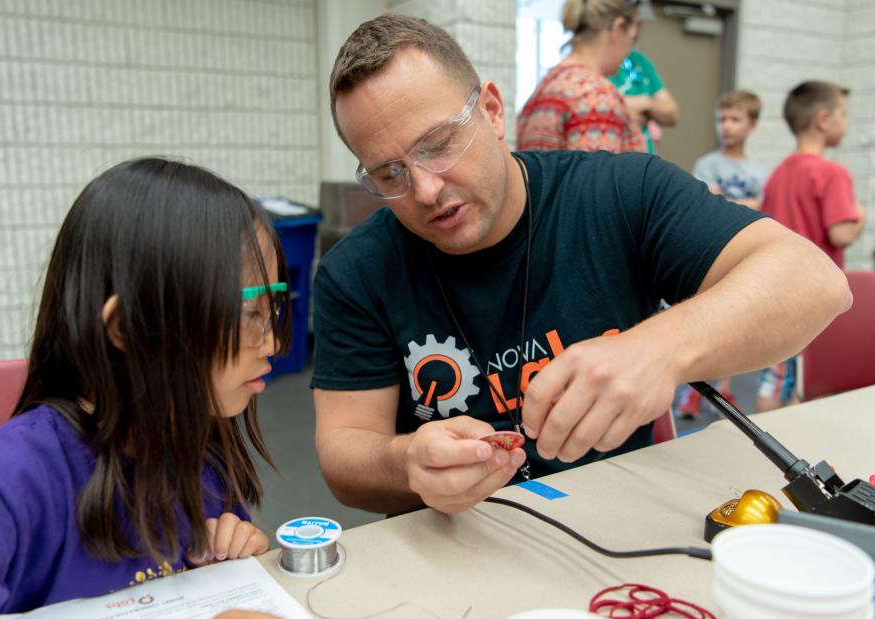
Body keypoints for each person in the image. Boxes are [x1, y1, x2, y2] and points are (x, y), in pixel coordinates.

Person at [311, 13, 851, 516]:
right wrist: (405, 462)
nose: (426, 190)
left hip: (622, 515)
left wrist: (659, 350)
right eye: (389, 175)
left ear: (493, 112)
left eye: (439, 144)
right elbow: (343, 451)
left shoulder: (619, 192)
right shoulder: (355, 272)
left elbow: (814, 280)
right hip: (459, 540)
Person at [0, 159, 294, 619]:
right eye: (247, 310)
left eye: (273, 305)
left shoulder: (198, 449)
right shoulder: (1, 486)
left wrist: (225, 557)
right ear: (128, 329)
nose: (272, 340)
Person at [755, 81, 866, 412]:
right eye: (843, 114)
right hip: (814, 294)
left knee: (775, 375)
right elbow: (842, 234)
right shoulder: (833, 173)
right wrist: (860, 216)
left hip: (779, 288)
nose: (846, 122)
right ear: (822, 119)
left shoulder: (780, 172)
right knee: (807, 378)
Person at [676, 89, 768, 418]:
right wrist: (748, 205)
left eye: (735, 119)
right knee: (703, 319)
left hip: (742, 253)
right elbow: (711, 203)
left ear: (752, 125)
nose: (726, 126)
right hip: (713, 249)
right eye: (722, 119)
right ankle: (692, 391)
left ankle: (724, 388)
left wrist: (740, 205)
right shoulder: (707, 164)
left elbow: (763, 208)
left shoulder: (758, 170)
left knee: (735, 320)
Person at [516, 0, 646, 153]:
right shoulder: (596, 95)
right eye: (633, 39)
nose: (629, 52)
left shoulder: (549, 85)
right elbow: (598, 175)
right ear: (617, 28)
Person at [610, 48, 680, 154]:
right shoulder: (589, 65)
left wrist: (646, 103)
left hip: (643, 159)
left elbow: (672, 113)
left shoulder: (637, 60)